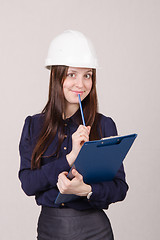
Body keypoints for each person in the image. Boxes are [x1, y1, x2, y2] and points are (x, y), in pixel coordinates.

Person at [18, 30, 129, 240]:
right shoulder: (34, 125)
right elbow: (28, 184)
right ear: (56, 75)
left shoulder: (104, 125)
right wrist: (71, 158)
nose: (81, 84)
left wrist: (85, 189)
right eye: (72, 74)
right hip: (51, 228)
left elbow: (119, 187)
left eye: (87, 75)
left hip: (96, 229)